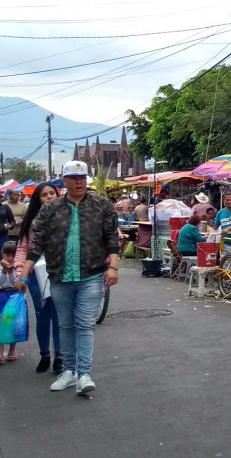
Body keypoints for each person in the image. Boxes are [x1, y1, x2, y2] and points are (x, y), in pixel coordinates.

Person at [15, 160, 120, 395]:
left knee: (84, 325)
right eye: (73, 177)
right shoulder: (50, 210)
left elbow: (111, 238)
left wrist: (113, 267)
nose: (79, 181)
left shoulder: (102, 205)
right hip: (59, 276)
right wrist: (23, 274)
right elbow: (37, 244)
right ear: (64, 181)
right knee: (65, 325)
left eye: (82, 177)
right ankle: (69, 372)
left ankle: (84, 374)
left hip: (91, 275)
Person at [13, 182, 62, 374]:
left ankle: (60, 356)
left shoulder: (66, 216)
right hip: (34, 274)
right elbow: (23, 248)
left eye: (52, 193)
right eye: (44, 194)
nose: (49, 197)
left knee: (59, 318)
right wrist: (20, 274)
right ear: (37, 199)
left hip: (59, 273)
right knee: (43, 316)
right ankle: (44, 355)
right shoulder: (32, 220)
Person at [1, 241, 22, 364]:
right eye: (7, 255)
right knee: (2, 324)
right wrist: (4, 270)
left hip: (14, 296)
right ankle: (0, 352)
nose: (10, 258)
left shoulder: (18, 268)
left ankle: (12, 350)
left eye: (13, 256)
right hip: (2, 295)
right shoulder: (0, 266)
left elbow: (16, 283)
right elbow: (1, 282)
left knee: (14, 324)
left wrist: (10, 271)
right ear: (2, 254)